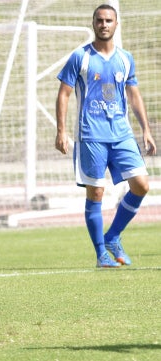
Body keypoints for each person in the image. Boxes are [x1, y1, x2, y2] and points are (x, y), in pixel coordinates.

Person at [55, 4, 157, 268]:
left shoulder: (126, 58)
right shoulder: (80, 57)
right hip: (91, 136)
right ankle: (101, 254)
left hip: (121, 135)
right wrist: (61, 131)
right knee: (96, 193)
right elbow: (64, 94)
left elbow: (133, 95)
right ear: (93, 24)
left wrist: (145, 129)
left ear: (116, 24)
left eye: (108, 20)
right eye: (99, 20)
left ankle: (112, 236)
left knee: (142, 185)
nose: (104, 24)